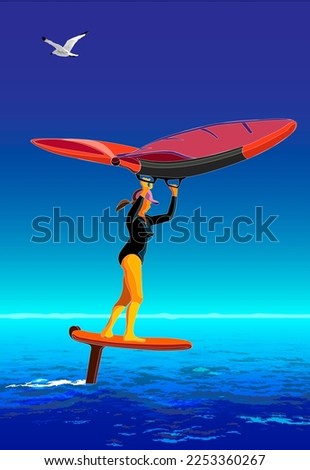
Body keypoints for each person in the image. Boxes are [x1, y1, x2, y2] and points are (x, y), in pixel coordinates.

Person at [101, 180, 178, 342]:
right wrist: (144, 189)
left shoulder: (149, 220)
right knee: (138, 297)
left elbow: (168, 216)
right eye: (149, 202)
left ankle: (107, 330)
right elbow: (134, 209)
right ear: (142, 201)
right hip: (131, 256)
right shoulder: (133, 218)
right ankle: (129, 334)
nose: (150, 205)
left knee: (126, 298)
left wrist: (174, 194)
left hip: (136, 259)